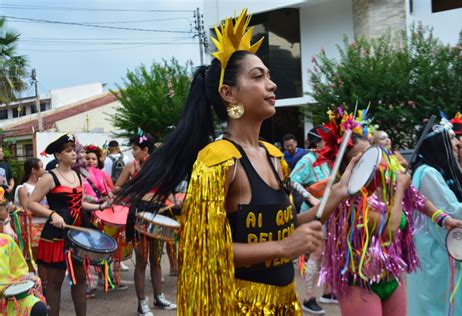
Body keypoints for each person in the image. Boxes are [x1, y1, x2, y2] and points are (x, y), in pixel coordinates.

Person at [117, 9, 357, 315]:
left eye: (269, 76)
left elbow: (283, 229)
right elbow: (205, 252)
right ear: (228, 94)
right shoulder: (217, 161)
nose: (272, 85)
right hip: (240, 306)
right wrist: (285, 249)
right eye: (258, 76)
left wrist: (335, 196)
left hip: (284, 303)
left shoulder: (273, 156)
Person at [317, 109, 462, 316]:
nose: (370, 161)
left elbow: (416, 199)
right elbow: (389, 230)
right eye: (358, 157)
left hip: (390, 277)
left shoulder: (383, 181)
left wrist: (445, 220)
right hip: (359, 283)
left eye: (369, 152)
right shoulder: (347, 200)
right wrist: (400, 192)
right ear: (347, 165)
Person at [27, 133, 111, 316]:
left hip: (78, 234)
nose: (73, 153)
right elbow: (31, 202)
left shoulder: (77, 175)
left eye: (73, 150)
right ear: (58, 155)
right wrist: (52, 213)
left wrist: (101, 206)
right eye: (68, 150)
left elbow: (80, 204)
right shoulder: (49, 177)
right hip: (56, 234)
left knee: (79, 279)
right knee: (55, 282)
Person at [406, 120, 462, 315]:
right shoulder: (428, 173)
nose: (456, 144)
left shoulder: (439, 171)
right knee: (436, 303)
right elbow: (449, 211)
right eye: (451, 138)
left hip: (440, 249)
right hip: (435, 250)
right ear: (438, 143)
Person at [115, 132, 177, 315]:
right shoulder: (131, 166)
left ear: (145, 150)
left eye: (135, 149)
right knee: (141, 261)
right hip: (139, 216)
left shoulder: (161, 167)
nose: (132, 152)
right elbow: (117, 187)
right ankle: (142, 304)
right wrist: (133, 191)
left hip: (157, 214)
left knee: (156, 259)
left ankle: (159, 297)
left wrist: (170, 200)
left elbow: (168, 188)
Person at [290, 128, 334, 314]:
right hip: (313, 213)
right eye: (326, 140)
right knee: (316, 254)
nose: (329, 143)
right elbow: (292, 180)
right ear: (318, 142)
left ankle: (327, 292)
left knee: (326, 254)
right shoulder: (308, 159)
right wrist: (310, 198)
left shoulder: (326, 160)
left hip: (327, 211)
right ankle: (308, 297)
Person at [0, 201, 48, 316]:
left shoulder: (6, 242)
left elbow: (18, 271)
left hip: (8, 299)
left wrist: (29, 277)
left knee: (37, 307)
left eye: (3, 221)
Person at [14, 157, 47, 277]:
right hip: (30, 227)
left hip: (44, 224)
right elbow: (28, 210)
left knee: (44, 258)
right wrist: (47, 210)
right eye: (42, 166)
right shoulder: (23, 188)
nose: (44, 169)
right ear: (34, 170)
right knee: (31, 257)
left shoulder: (43, 185)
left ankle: (43, 284)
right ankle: (33, 284)